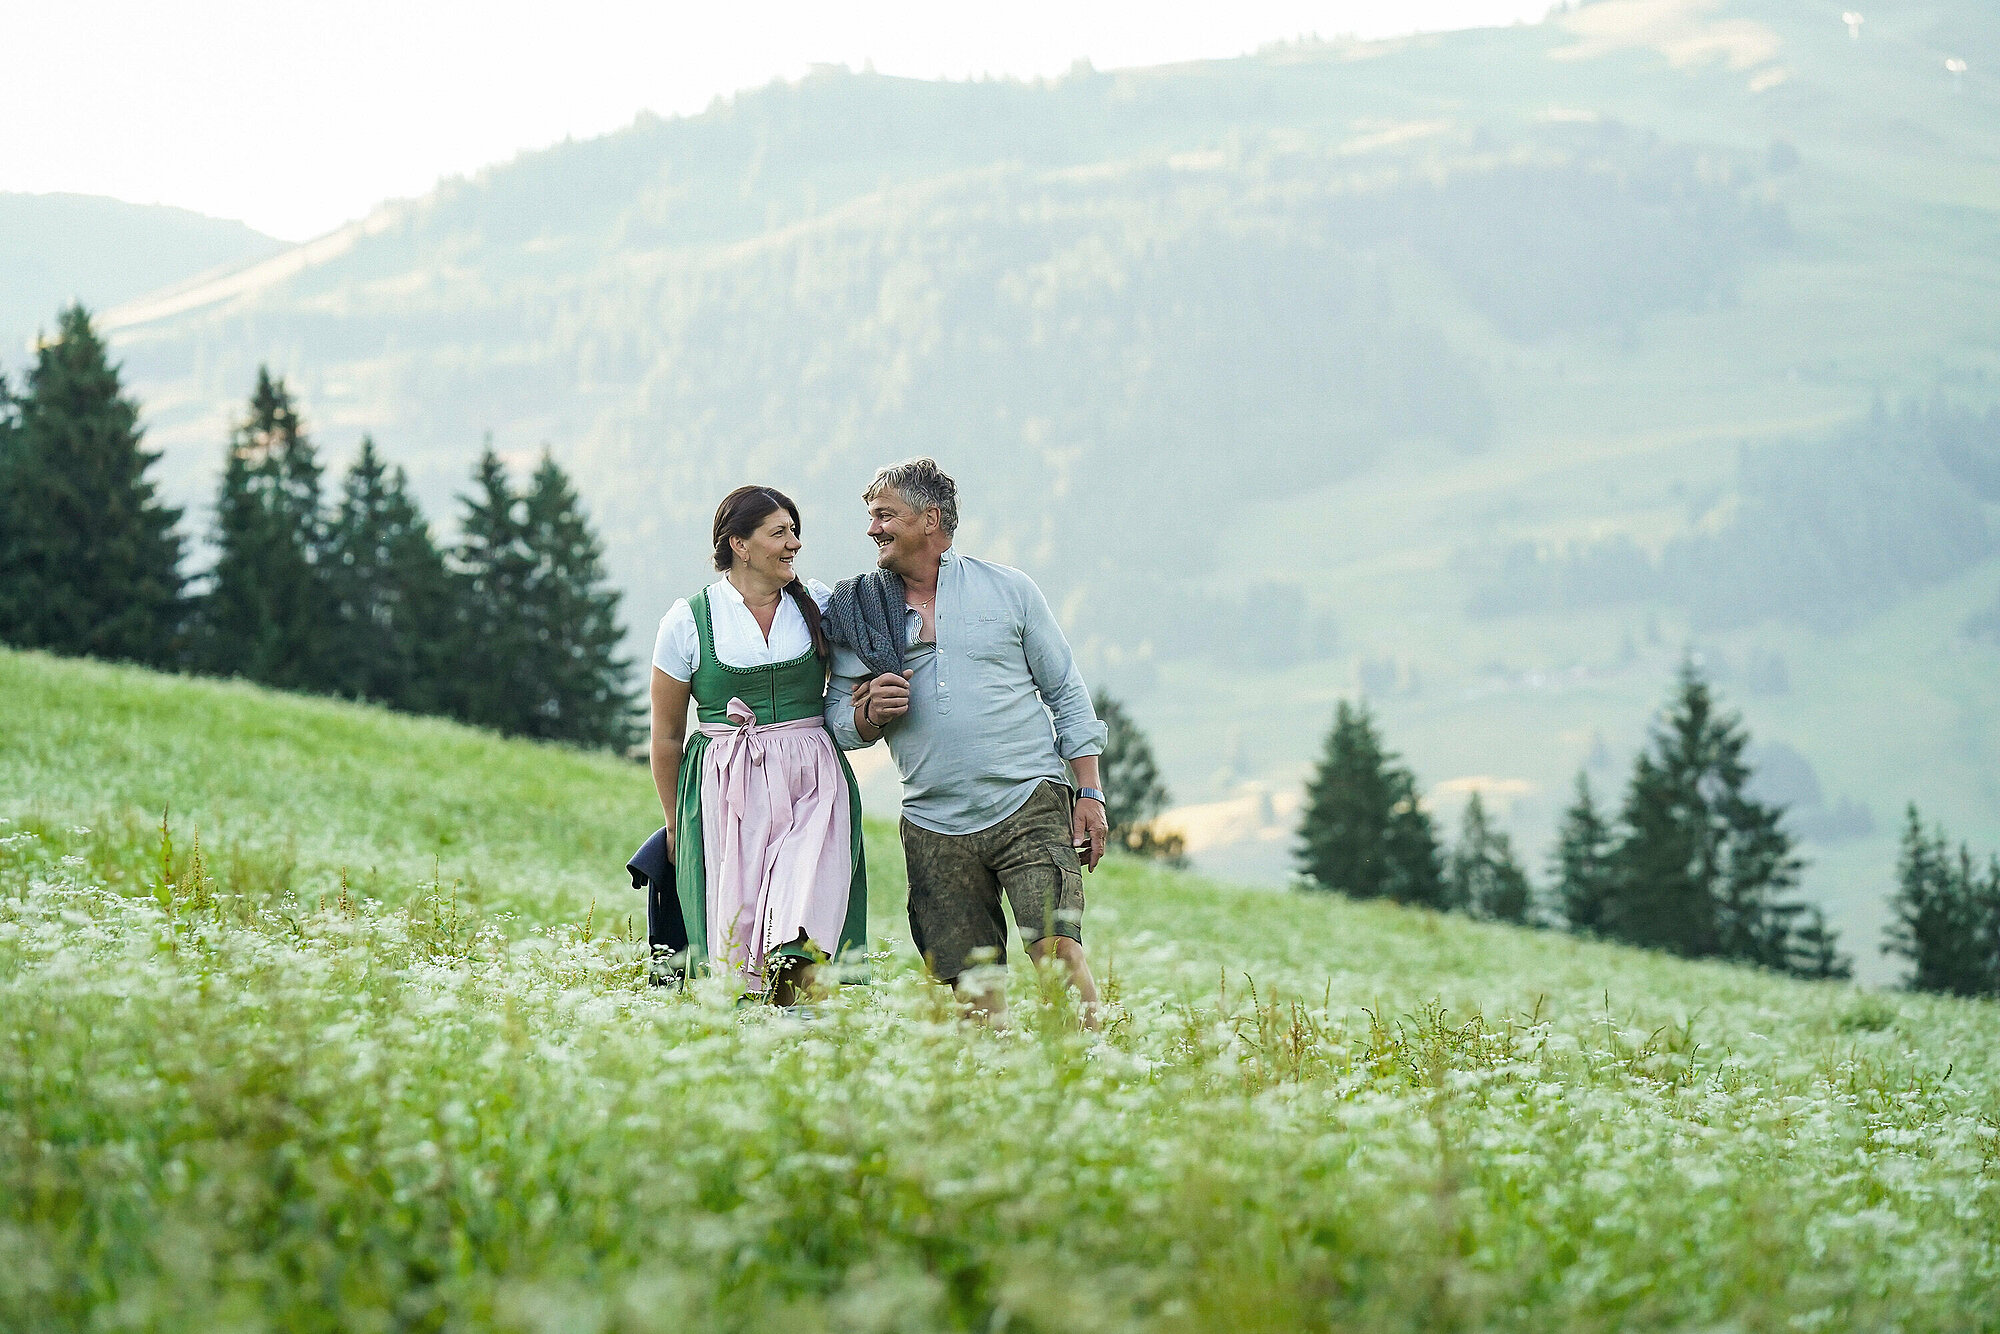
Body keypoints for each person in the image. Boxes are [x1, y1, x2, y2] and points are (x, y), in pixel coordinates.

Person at [825, 458, 1109, 1026]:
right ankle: (993, 1085)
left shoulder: (1008, 590)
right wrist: (868, 717)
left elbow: (1066, 692)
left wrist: (1090, 794)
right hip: (933, 821)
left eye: (885, 516)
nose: (872, 529)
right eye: (871, 517)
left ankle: (1094, 1067)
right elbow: (836, 720)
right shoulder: (856, 610)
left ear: (929, 520)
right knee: (970, 982)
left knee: (1056, 950)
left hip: (1027, 801)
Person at [649, 486, 868, 1004]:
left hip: (812, 779)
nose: (793, 544)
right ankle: (758, 1040)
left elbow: (855, 679)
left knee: (805, 916)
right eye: (780, 533)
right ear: (740, 545)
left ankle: (803, 1029)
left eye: (795, 531)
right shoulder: (688, 620)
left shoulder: (818, 602)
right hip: (729, 786)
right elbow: (665, 735)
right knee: (739, 926)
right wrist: (675, 823)